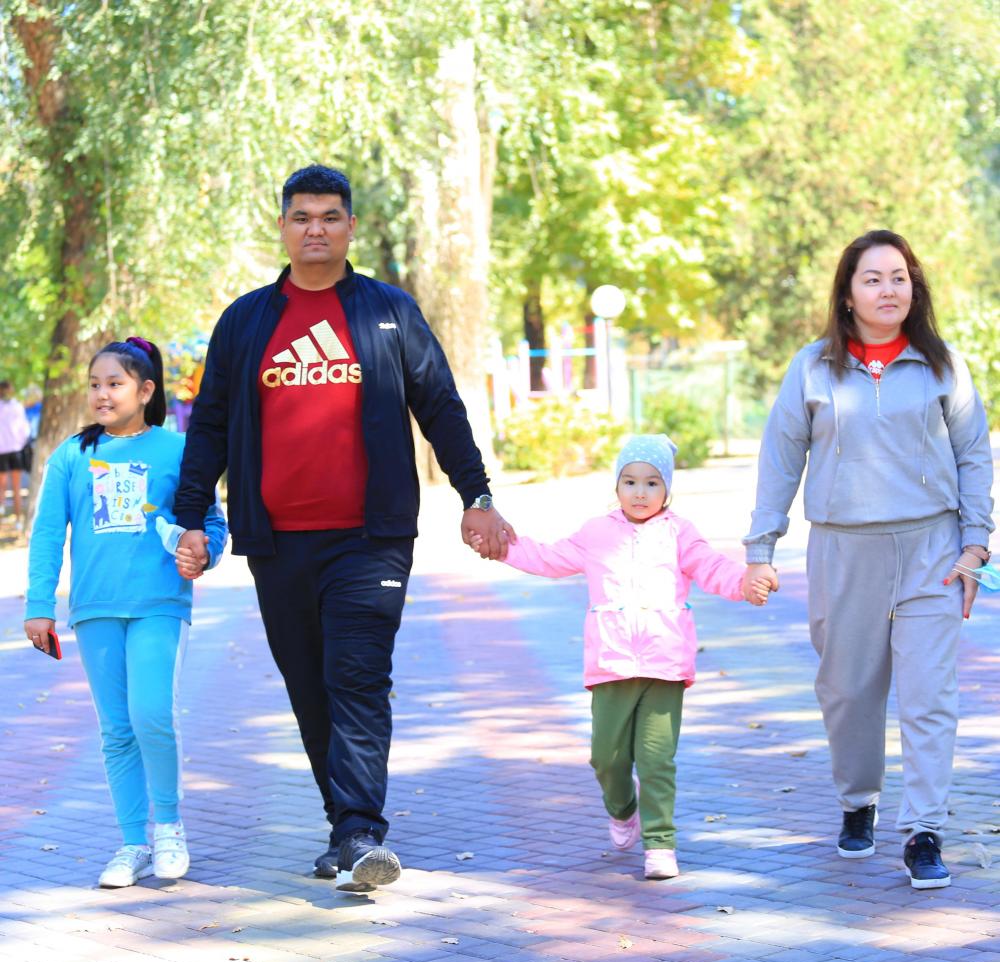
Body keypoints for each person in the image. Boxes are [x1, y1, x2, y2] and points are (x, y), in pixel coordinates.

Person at [172, 164, 513, 893]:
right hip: (277, 541)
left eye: (330, 216)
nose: (316, 229)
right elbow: (211, 426)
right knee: (309, 686)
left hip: (371, 538)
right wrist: (191, 517)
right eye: (302, 217)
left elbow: (440, 404)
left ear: (351, 226)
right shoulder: (246, 321)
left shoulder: (389, 311)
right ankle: (345, 831)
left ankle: (361, 831)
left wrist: (476, 494)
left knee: (356, 676)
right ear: (283, 227)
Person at [743, 230, 994, 890]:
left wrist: (975, 546)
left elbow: (973, 455)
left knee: (929, 695)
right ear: (848, 294)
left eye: (899, 277)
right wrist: (760, 548)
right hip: (842, 549)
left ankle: (924, 830)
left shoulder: (943, 366)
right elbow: (780, 458)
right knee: (848, 692)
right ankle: (858, 801)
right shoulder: (812, 368)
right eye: (873, 278)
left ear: (915, 289)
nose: (888, 290)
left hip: (933, 550)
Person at [473, 434, 771, 879]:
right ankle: (622, 807)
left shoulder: (680, 533)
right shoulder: (597, 532)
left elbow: (712, 567)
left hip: (665, 664)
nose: (640, 492)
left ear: (667, 488)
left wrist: (745, 583)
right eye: (630, 482)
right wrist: (500, 547)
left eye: (652, 483)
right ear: (617, 486)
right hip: (611, 664)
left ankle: (660, 843)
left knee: (656, 759)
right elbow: (549, 558)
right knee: (607, 758)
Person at [24, 338, 228, 888]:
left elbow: (210, 522)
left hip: (159, 604)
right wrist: (40, 606)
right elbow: (48, 534)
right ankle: (133, 842)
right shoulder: (71, 455)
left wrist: (204, 551)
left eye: (114, 383)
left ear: (145, 390)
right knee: (116, 728)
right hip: (94, 609)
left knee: (152, 713)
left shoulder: (179, 449)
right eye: (94, 384)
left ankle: (170, 829)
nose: (102, 394)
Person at [0, 379, 32, 528]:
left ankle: (2, 511)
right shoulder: (17, 406)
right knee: (16, 487)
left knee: (2, 485)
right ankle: (18, 520)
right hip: (16, 450)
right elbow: (25, 430)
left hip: (2, 451)